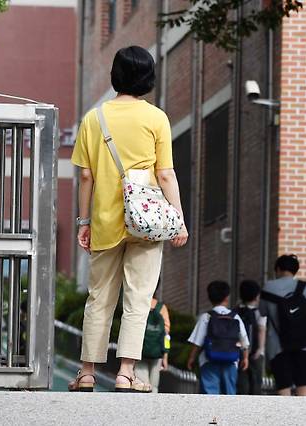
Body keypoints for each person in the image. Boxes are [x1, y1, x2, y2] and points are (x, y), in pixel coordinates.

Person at [68, 46, 189, 392]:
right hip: (147, 224)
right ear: (148, 77)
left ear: (115, 75)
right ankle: (126, 373)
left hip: (106, 222)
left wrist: (84, 222)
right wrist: (178, 219)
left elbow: (87, 178)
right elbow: (165, 175)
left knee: (99, 298)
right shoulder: (156, 118)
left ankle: (88, 372)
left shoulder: (94, 119)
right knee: (138, 300)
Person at [260, 255, 306, 396]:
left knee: (283, 385)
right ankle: (303, 417)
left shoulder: (268, 287)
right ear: (295, 270)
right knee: (304, 384)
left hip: (277, 346)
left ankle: (285, 417)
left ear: (278, 269)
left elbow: (262, 312)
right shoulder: (305, 287)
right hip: (303, 344)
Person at [187, 281, 250, 395]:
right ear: (227, 298)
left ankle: (211, 413)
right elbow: (244, 341)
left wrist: (191, 358)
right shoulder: (235, 317)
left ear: (209, 298)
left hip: (209, 360)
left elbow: (197, 342)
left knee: (210, 393)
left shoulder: (206, 317)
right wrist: (245, 358)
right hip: (231, 360)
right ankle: (228, 412)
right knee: (229, 393)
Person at [235, 280, 267, 395]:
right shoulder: (259, 311)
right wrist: (260, 349)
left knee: (242, 382)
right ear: (257, 296)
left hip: (240, 352)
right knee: (256, 382)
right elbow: (261, 330)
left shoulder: (236, 310)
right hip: (255, 353)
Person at [136, 296, 171, 393]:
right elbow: (166, 334)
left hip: (140, 351)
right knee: (154, 386)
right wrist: (165, 356)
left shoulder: (138, 304)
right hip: (157, 353)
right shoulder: (162, 308)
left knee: (142, 384)